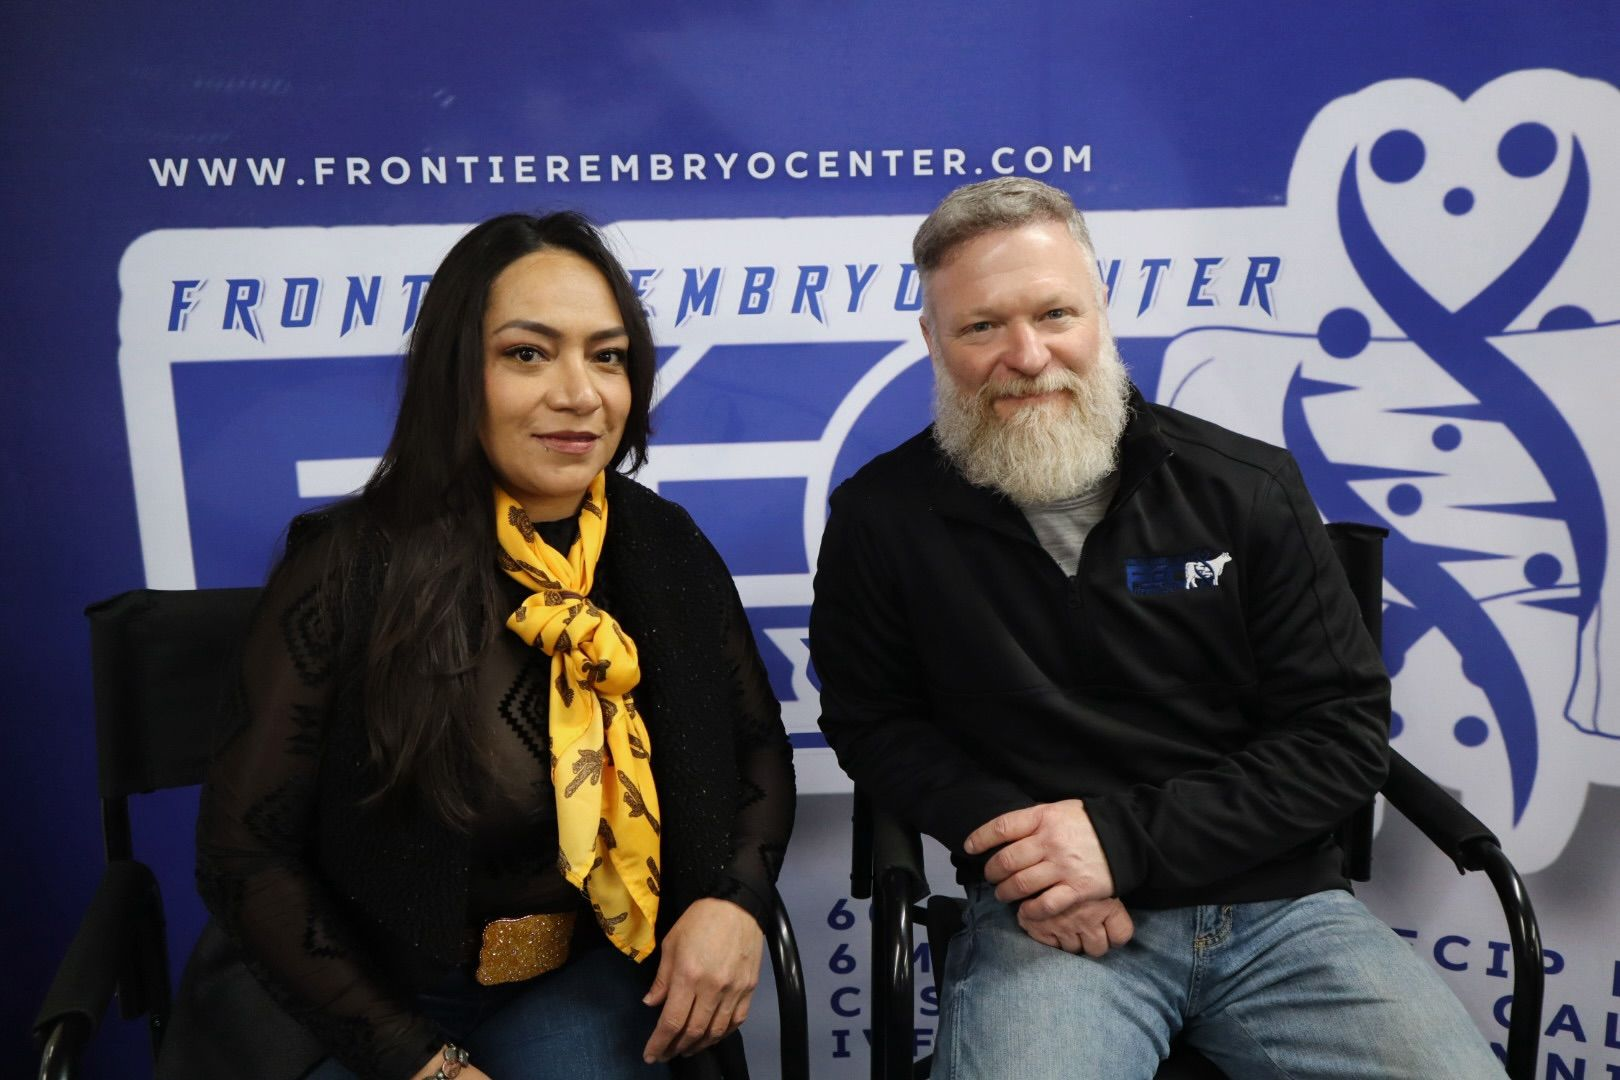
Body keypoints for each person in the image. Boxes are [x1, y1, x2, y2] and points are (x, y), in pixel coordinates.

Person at [810, 177, 1500, 1079]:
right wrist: (1030, 858)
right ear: (932, 341)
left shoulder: (1247, 489)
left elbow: (1340, 736)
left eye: (1056, 313)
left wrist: (1118, 844)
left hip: (1281, 913)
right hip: (1048, 920)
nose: (1027, 354)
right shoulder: (880, 517)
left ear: (1101, 311)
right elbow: (874, 722)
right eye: (982, 327)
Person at [162, 211, 795, 1080]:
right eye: (528, 354)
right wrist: (420, 1063)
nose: (579, 393)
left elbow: (757, 749)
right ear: (458, 374)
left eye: (607, 356)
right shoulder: (348, 565)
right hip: (353, 999)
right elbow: (243, 857)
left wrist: (735, 903)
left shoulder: (664, 546)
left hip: (576, 979)